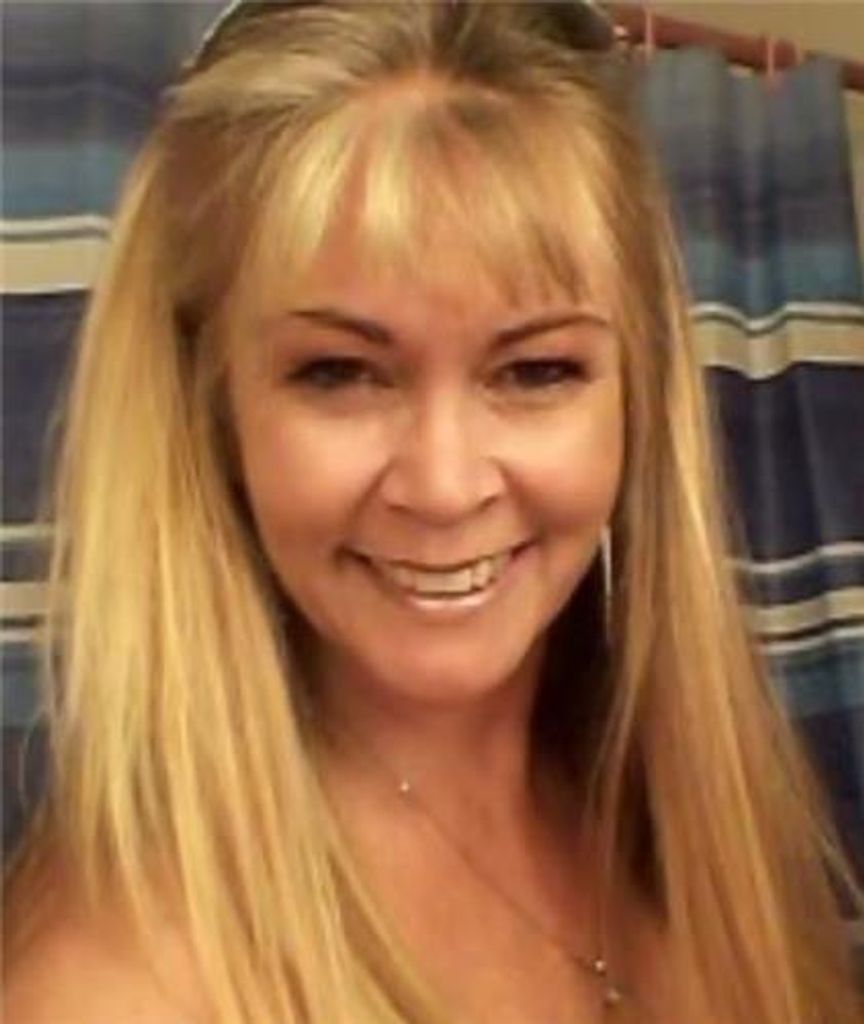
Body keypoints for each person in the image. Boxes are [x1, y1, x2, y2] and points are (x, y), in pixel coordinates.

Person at [3, 2, 862, 1022]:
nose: (445, 486)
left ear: (638, 399)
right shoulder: (114, 980)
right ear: (211, 407)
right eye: (340, 372)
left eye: (536, 370)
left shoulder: (703, 837)